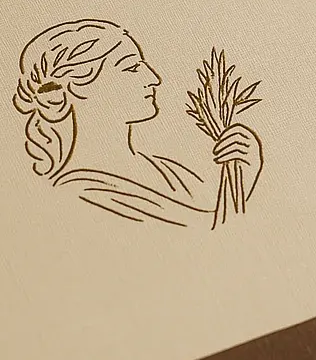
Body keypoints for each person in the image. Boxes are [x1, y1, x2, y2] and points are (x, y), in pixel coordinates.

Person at [13, 19, 262, 227]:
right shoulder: (79, 193)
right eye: (131, 67)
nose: (153, 78)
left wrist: (242, 170)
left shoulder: (169, 172)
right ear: (77, 87)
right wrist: (246, 175)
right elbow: (207, 236)